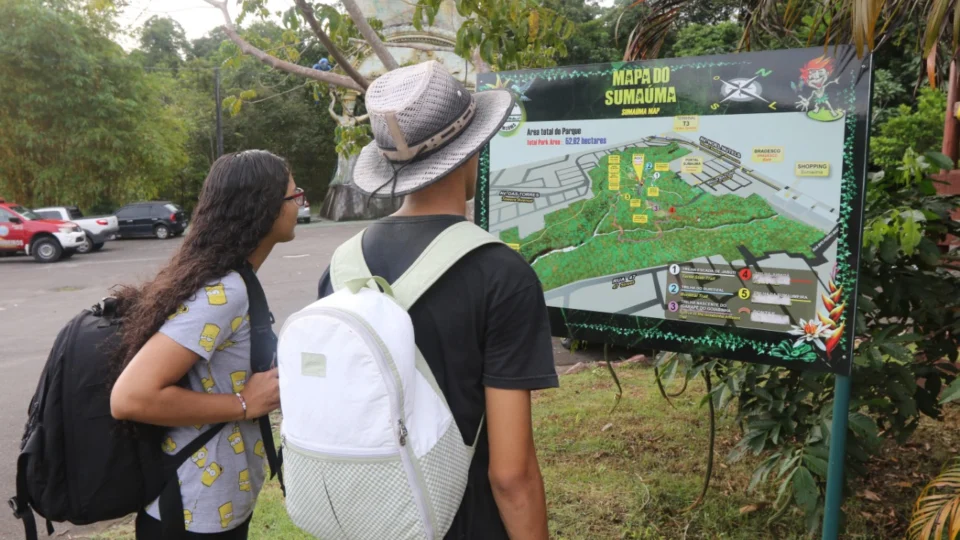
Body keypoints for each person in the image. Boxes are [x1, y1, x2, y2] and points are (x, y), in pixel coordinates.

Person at [317, 60, 558, 540]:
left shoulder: (340, 269)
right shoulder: (502, 276)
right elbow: (511, 475)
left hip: (371, 520)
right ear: (469, 152)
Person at [110, 150, 303, 539]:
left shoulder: (232, 277)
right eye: (294, 195)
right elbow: (130, 397)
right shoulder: (225, 290)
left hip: (212, 505)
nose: (300, 203)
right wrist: (244, 404)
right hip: (193, 513)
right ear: (264, 208)